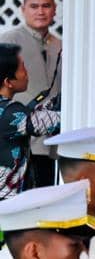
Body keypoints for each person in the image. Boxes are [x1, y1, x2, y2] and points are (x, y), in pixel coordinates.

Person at [0, 0, 62, 189]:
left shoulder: (60, 45)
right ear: (23, 9)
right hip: (18, 137)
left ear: (54, 9)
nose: (40, 12)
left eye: (46, 6)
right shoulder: (8, 42)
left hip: (52, 144)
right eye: (34, 6)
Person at [0, 43, 60, 199]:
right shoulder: (10, 113)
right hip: (7, 204)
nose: (27, 74)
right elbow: (52, 121)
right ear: (8, 82)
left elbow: (32, 116)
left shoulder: (7, 109)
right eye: (22, 69)